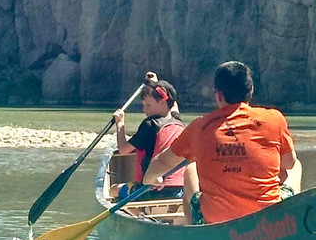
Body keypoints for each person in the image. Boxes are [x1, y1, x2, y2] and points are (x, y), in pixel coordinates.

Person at [143, 60, 302, 225]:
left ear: (218, 95)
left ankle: (195, 232)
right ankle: (290, 221)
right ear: (251, 90)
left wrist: (150, 178)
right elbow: (288, 163)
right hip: (267, 219)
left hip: (215, 222)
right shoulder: (275, 119)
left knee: (191, 168)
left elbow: (162, 162)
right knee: (296, 165)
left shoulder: (199, 127)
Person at [113, 72, 187, 209]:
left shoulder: (150, 125)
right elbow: (173, 105)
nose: (144, 110)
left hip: (150, 191)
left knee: (114, 189)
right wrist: (156, 84)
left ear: (163, 101)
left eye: (148, 105)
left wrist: (120, 123)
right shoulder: (178, 121)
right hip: (179, 190)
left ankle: (137, 213)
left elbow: (123, 149)